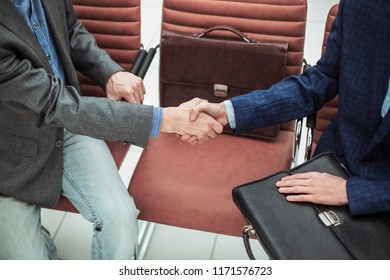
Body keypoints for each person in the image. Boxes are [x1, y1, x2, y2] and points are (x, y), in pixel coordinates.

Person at [0, 0, 222, 260]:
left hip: (68, 128)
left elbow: (69, 29)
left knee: (120, 219)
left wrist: (108, 73)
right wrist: (165, 120)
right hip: (12, 149)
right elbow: (57, 104)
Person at [186, 0, 390, 216]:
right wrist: (229, 111)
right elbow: (322, 79)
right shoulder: (364, 5)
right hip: (336, 164)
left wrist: (354, 192)